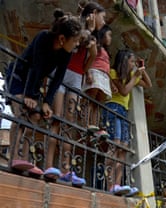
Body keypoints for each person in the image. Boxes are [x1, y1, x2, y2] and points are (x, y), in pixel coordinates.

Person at [5, 9, 82, 176]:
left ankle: (23, 159)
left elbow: (57, 79)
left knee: (36, 116)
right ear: (62, 38)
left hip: (34, 82)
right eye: (75, 40)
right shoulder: (43, 38)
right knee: (22, 112)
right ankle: (12, 155)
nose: (77, 44)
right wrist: (29, 96)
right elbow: (36, 66)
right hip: (19, 77)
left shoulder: (65, 53)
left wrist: (47, 101)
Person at [43, 2, 106, 187]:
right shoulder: (75, 25)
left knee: (69, 122)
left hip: (76, 76)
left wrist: (88, 63)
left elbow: (89, 60)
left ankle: (65, 170)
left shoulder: (94, 35)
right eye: (103, 16)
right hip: (61, 72)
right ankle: (48, 166)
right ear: (94, 14)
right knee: (56, 118)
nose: (104, 21)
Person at [103, 49, 152, 196]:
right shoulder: (113, 72)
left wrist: (142, 70)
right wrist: (134, 77)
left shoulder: (133, 75)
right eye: (131, 61)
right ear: (124, 61)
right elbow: (124, 91)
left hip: (123, 111)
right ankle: (109, 184)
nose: (133, 64)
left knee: (123, 148)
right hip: (112, 107)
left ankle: (118, 184)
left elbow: (148, 84)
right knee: (114, 144)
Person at [82, 24, 117, 133]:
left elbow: (107, 69)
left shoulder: (106, 51)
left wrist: (112, 84)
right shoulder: (96, 46)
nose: (110, 38)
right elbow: (88, 58)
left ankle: (94, 125)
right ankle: (86, 123)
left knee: (99, 102)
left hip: (104, 77)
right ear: (103, 34)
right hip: (95, 72)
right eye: (109, 35)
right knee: (91, 98)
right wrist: (88, 73)